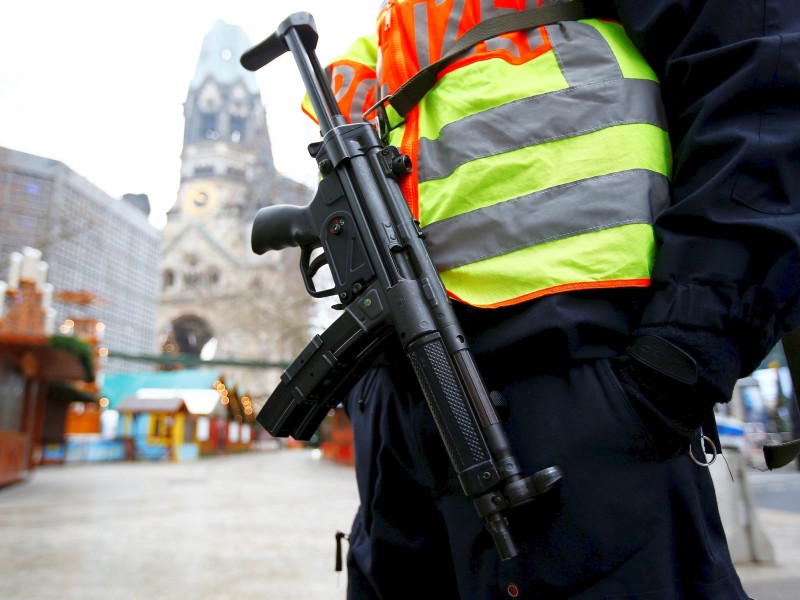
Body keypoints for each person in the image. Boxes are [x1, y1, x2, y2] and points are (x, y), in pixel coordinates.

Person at [303, 1, 800, 598]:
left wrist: (682, 353)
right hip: (407, 401)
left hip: (583, 383)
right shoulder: (397, 25)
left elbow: (762, 82)